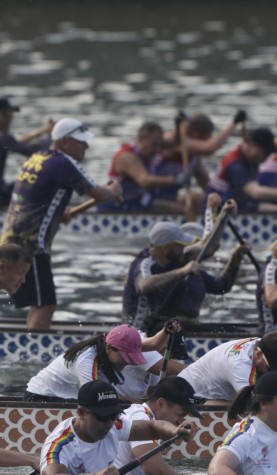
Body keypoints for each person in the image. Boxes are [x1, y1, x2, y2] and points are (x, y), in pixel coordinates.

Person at [1, 117, 123, 330]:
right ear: (65, 142)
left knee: (39, 301)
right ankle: (34, 346)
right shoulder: (63, 162)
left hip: (12, 238)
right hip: (31, 244)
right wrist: (114, 190)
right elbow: (100, 194)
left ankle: (30, 337)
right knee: (46, 303)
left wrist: (59, 213)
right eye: (81, 141)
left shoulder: (37, 157)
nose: (86, 146)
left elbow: (36, 198)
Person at [39, 380, 193, 475]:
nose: (107, 423)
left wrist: (174, 431)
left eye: (113, 416)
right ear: (81, 412)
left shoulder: (114, 426)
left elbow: (152, 427)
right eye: (102, 417)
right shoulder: (60, 444)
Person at [107, 377, 208, 475]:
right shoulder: (139, 417)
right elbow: (154, 469)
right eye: (180, 414)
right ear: (161, 404)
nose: (180, 421)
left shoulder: (142, 414)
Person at [123, 221, 246, 333]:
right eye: (181, 245)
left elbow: (221, 285)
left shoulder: (177, 262)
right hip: (140, 333)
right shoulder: (145, 263)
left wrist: (236, 257)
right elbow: (144, 285)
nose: (184, 249)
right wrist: (182, 271)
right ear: (165, 248)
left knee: (236, 332)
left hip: (173, 327)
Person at [179, 331, 277, 404]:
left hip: (217, 394)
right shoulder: (241, 366)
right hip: (189, 394)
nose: (273, 372)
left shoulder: (269, 346)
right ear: (257, 355)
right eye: (271, 366)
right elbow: (255, 407)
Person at [26, 324, 178, 402]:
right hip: (41, 397)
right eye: (124, 358)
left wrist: (167, 329)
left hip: (66, 396)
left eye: (130, 360)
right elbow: (97, 396)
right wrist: (141, 407)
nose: (125, 364)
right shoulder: (87, 360)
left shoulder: (115, 345)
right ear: (108, 348)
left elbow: (154, 344)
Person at [150, 111, 243, 208]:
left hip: (170, 195)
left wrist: (218, 200)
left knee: (198, 198)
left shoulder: (193, 155)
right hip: (152, 195)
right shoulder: (173, 140)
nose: (210, 138)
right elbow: (209, 148)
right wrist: (234, 123)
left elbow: (204, 180)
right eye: (208, 136)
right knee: (183, 208)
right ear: (196, 133)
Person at [207, 126, 277, 212]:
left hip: (241, 203)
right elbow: (256, 192)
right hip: (221, 210)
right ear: (253, 145)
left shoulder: (250, 156)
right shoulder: (235, 165)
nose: (266, 157)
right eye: (266, 152)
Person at [99, 122, 188, 213]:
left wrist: (178, 124)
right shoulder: (127, 156)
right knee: (176, 209)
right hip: (114, 205)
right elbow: (145, 181)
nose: (158, 149)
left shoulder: (147, 151)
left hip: (135, 200)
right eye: (154, 144)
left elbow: (176, 141)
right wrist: (175, 179)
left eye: (159, 145)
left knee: (184, 203)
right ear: (141, 139)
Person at [0, 98, 52, 207]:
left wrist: (43, 131)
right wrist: (52, 136)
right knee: (35, 183)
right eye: (8, 114)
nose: (11, 119)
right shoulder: (3, 137)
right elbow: (34, 151)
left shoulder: (5, 140)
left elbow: (16, 143)